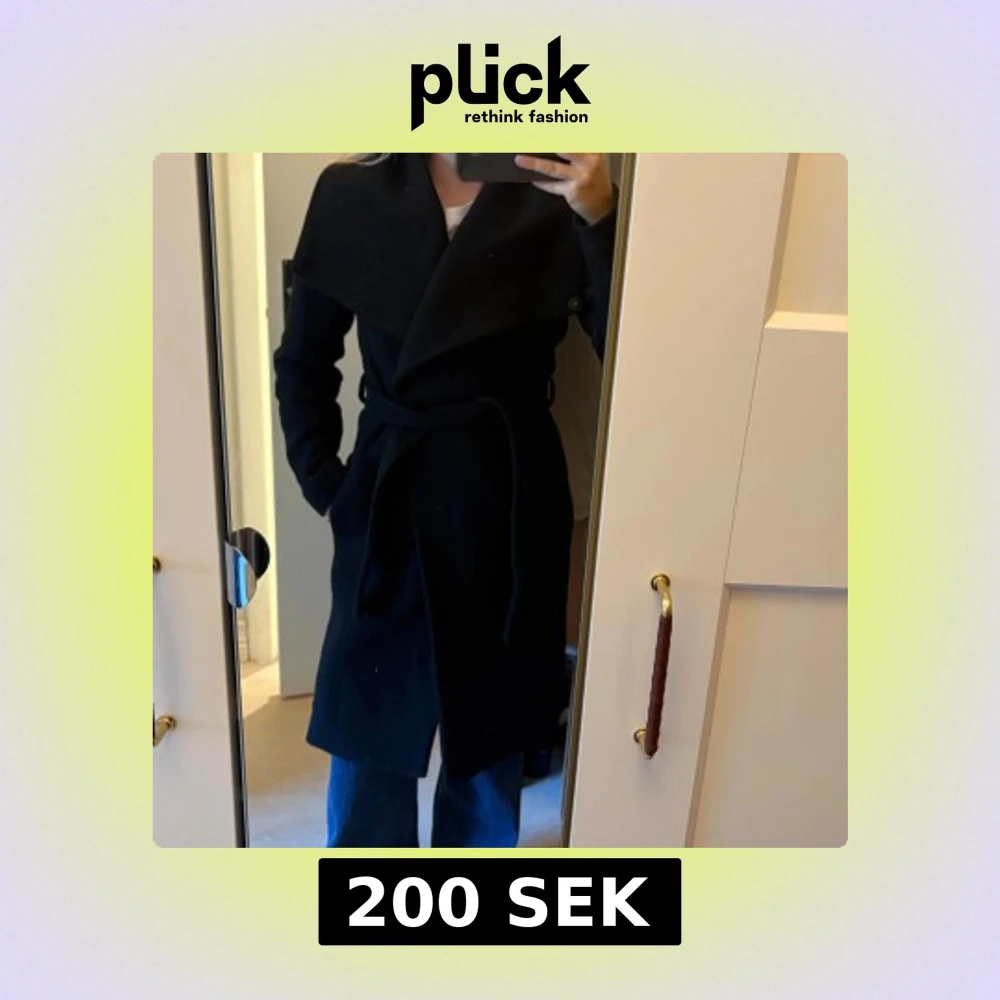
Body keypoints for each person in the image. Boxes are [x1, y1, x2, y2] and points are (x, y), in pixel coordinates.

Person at [273, 152, 617, 847]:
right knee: (371, 718)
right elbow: (304, 359)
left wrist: (601, 218)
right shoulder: (351, 191)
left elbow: (636, 355)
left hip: (507, 497)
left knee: (492, 722)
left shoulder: (564, 192)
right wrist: (328, 484)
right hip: (389, 491)